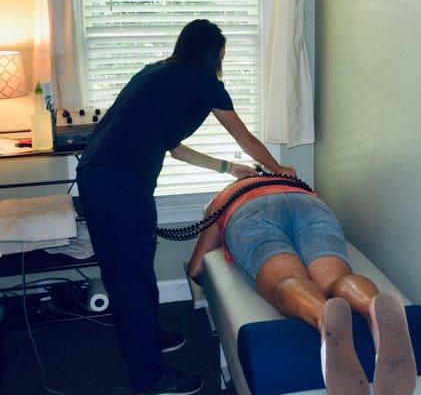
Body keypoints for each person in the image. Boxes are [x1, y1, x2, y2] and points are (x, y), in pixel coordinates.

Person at [76, 20, 295, 395]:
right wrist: (279, 170)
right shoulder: (204, 81)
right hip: (122, 182)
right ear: (217, 53)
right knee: (134, 275)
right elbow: (245, 137)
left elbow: (174, 146)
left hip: (95, 176)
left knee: (118, 270)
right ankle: (149, 376)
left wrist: (228, 168)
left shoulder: (158, 73)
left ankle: (139, 343)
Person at [187, 175, 417, 395]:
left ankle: (322, 315)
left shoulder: (225, 196)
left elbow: (196, 269)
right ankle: (372, 306)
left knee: (287, 280)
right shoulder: (291, 182)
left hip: (250, 212)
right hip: (309, 206)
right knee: (335, 278)